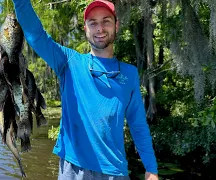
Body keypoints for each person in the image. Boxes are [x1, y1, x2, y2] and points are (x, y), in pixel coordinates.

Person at [11, 0, 159, 179]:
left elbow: (138, 124)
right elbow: (36, 35)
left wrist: (151, 168)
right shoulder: (69, 62)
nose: (100, 28)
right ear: (85, 28)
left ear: (116, 25)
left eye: (106, 21)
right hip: (73, 169)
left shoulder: (130, 73)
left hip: (114, 171)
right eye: (93, 23)